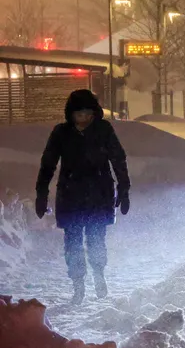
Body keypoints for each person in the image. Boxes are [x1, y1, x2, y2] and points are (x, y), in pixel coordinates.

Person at [35, 89, 131, 304]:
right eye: (79, 115)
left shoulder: (103, 130)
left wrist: (124, 187)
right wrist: (41, 192)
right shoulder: (61, 133)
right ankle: (78, 284)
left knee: (97, 239)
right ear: (71, 115)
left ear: (94, 113)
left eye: (88, 115)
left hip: (99, 192)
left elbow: (118, 159)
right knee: (73, 243)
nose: (84, 119)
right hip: (71, 194)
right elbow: (48, 163)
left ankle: (99, 274)